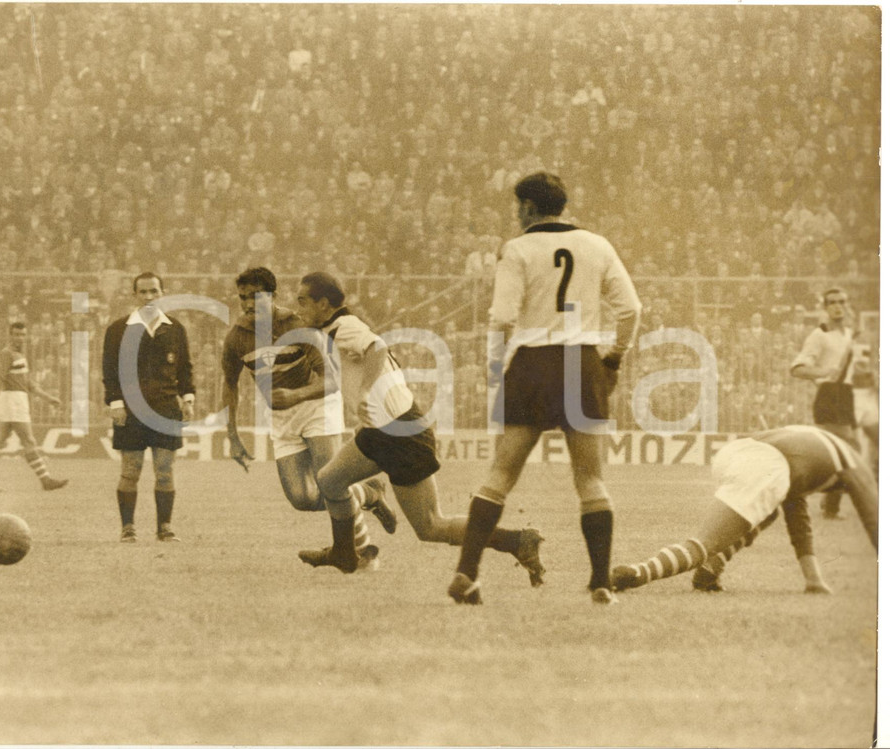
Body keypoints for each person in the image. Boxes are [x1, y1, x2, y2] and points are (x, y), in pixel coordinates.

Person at [449, 171, 642, 605]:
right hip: (581, 362)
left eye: (518, 207)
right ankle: (600, 584)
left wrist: (497, 366)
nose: (516, 214)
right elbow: (630, 308)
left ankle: (466, 572)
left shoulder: (518, 249)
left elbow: (501, 317)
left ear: (529, 208)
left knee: (500, 475)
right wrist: (614, 357)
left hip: (532, 364)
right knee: (590, 479)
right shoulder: (597, 245)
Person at [293, 271, 544, 582]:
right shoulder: (332, 329)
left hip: (400, 433)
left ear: (324, 304)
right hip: (382, 430)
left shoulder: (343, 327)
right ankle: (345, 553)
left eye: (303, 301)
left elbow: (377, 347)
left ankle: (517, 541)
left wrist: (368, 391)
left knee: (430, 527)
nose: (298, 308)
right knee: (330, 479)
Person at [220, 267, 396, 568]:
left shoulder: (298, 325)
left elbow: (330, 381)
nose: (248, 305)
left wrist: (296, 395)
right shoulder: (237, 337)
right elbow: (230, 385)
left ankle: (360, 553)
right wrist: (233, 436)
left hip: (317, 407)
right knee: (302, 498)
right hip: (281, 419)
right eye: (243, 298)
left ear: (272, 296)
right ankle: (368, 493)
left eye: (255, 297)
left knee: (331, 483)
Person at [612, 425, 878, 594]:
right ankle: (638, 573)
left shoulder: (822, 445)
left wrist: (814, 580)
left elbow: (797, 514)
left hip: (738, 451)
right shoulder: (859, 467)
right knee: (705, 542)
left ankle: (709, 571)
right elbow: (875, 520)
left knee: (766, 511)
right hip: (767, 466)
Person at [102, 272, 195, 543]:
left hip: (166, 409)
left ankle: (164, 528)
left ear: (162, 293)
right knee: (130, 471)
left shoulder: (175, 328)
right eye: (143, 292)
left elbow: (185, 367)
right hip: (130, 410)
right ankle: (128, 528)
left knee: (165, 471)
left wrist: (187, 399)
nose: (148, 297)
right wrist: (116, 402)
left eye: (153, 291)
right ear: (135, 295)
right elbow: (110, 370)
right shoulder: (119, 329)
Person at [790, 287, 860, 518]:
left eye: (841, 301)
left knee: (841, 455)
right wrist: (823, 372)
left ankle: (829, 507)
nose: (837, 306)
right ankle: (799, 493)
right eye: (832, 302)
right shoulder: (819, 334)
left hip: (847, 395)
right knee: (847, 451)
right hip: (829, 396)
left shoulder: (849, 334)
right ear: (825, 308)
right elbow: (798, 369)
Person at [0, 322, 69, 491]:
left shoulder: (19, 354)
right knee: (28, 440)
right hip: (12, 400)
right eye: (16, 334)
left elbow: (28, 383)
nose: (20, 338)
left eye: (22, 334)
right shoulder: (7, 354)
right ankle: (45, 480)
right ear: (10, 335)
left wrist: (48, 398)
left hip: (17, 399)